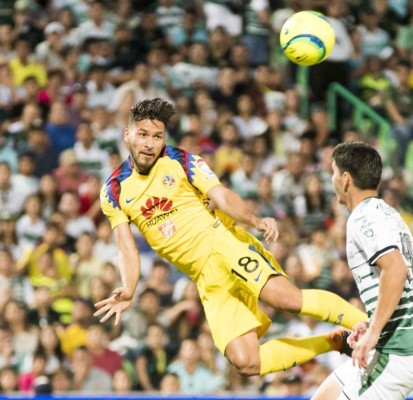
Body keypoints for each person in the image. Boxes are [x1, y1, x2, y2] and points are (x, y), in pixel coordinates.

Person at [95, 98, 367, 377]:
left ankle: (374, 327)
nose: (150, 144)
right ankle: (334, 341)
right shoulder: (113, 190)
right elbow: (126, 248)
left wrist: (256, 220)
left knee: (286, 300)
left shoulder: (180, 159)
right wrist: (128, 288)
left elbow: (222, 195)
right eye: (143, 134)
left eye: (157, 136)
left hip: (224, 244)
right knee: (246, 361)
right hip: (204, 276)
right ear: (127, 135)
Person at [312, 142, 413, 399]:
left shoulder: (363, 218)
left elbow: (396, 270)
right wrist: (374, 321)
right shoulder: (391, 215)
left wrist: (374, 332)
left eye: (333, 172)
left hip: (396, 353)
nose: (331, 179)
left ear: (345, 179)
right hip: (396, 348)